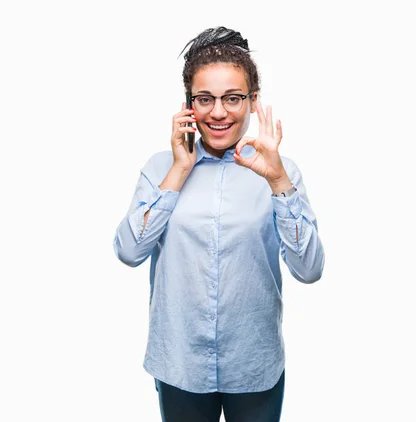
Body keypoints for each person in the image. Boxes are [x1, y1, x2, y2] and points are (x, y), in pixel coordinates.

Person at [112, 26, 325, 422]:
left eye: (232, 98)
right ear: (188, 104)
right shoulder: (160, 168)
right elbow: (128, 251)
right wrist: (178, 171)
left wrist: (279, 182)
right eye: (205, 99)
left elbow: (310, 270)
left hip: (254, 364)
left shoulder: (281, 171)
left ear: (253, 101)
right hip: (181, 363)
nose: (219, 111)